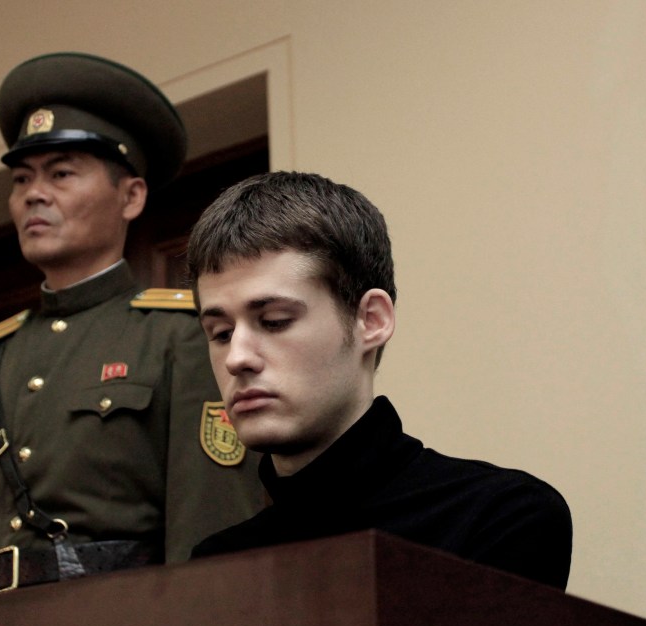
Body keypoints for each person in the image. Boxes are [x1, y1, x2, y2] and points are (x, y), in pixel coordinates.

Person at [0, 52, 263, 602]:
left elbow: (210, 521)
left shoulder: (181, 334)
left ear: (131, 196)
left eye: (62, 173)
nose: (34, 193)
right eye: (22, 178)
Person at [186, 171, 573, 589]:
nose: (237, 358)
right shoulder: (214, 565)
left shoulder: (498, 515)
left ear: (371, 321)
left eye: (274, 322)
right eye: (221, 334)